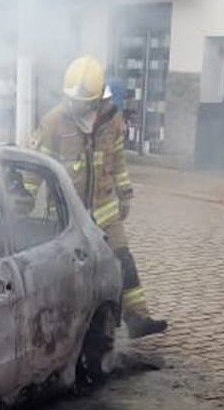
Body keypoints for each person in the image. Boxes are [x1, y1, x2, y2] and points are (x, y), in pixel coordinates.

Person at [30, 55, 167, 339]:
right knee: (67, 271)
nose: (76, 105)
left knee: (122, 259)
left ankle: (137, 318)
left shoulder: (111, 120)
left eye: (82, 101)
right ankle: (66, 330)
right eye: (72, 99)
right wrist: (22, 203)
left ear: (96, 98)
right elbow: (35, 168)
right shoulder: (54, 122)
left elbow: (116, 161)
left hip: (104, 209)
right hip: (68, 215)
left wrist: (125, 193)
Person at [0, 68, 17, 142]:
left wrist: (8, 97)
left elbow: (15, 93)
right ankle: (1, 138)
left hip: (9, 107)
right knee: (1, 124)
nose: (4, 75)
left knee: (9, 124)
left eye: (5, 73)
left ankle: (9, 139)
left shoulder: (11, 83)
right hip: (0, 107)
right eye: (3, 73)